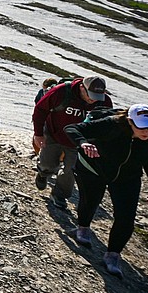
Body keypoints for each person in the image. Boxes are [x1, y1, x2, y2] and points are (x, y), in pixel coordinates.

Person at [64, 104, 148, 276]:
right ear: (130, 121)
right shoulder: (112, 124)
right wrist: (83, 143)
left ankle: (113, 255)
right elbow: (72, 128)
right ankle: (83, 228)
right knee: (90, 201)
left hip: (128, 177)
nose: (147, 132)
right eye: (142, 126)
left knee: (126, 218)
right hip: (94, 168)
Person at [32, 76, 111, 209]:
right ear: (82, 87)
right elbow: (40, 109)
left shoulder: (104, 102)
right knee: (47, 163)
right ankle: (43, 173)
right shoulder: (61, 92)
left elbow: (105, 125)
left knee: (72, 170)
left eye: (97, 96)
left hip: (80, 142)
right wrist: (38, 134)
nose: (93, 99)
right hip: (54, 134)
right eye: (90, 95)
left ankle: (59, 195)